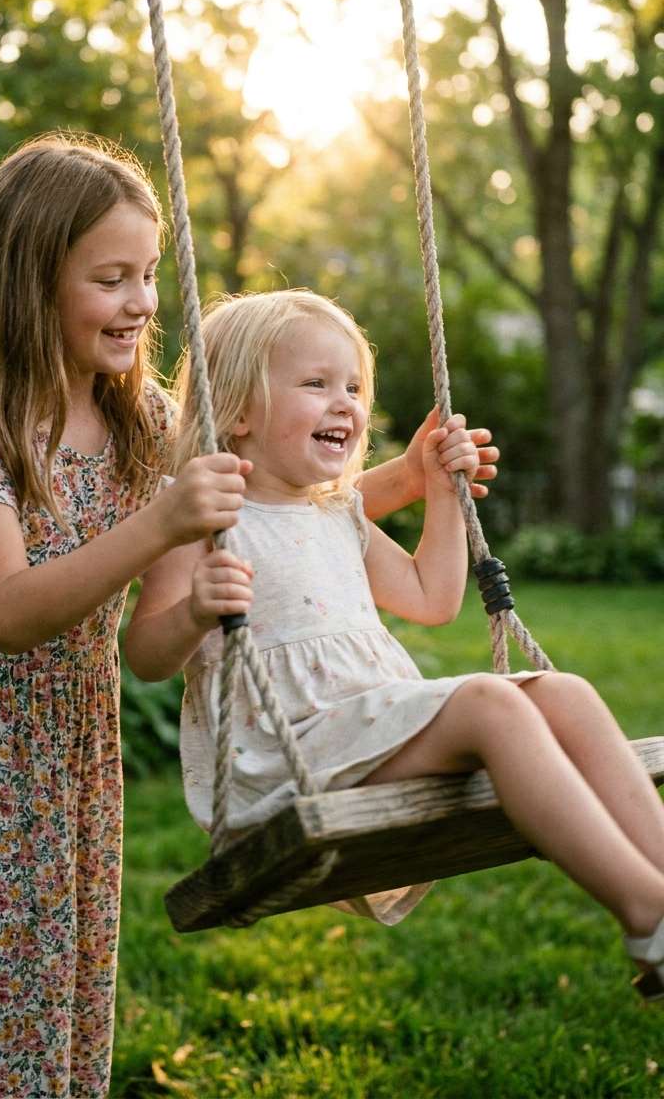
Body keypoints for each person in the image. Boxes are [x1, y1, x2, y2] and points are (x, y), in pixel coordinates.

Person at [0, 137, 506, 1099]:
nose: (141, 303)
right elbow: (4, 610)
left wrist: (408, 480)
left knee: (38, 973)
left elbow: (277, 510)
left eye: (149, 276)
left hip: (68, 733)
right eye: (111, 279)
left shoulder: (139, 420)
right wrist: (161, 521)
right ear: (30, 282)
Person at [125, 288, 664, 1000]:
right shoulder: (202, 511)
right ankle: (646, 915)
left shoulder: (336, 514)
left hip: (369, 729)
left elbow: (430, 598)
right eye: (315, 384)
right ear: (238, 411)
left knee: (565, 690)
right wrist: (195, 609)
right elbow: (146, 655)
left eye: (351, 385)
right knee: (487, 705)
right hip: (292, 757)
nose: (343, 402)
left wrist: (440, 492)